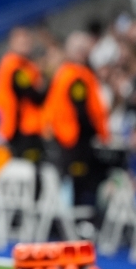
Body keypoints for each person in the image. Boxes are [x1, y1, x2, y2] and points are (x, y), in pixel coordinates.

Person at [43, 31, 109, 208]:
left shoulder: (64, 73)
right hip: (76, 141)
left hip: (65, 139)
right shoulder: (76, 76)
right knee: (82, 185)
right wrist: (95, 132)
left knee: (71, 183)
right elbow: (81, 111)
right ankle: (83, 223)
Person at [0, 27, 46, 163]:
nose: (25, 44)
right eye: (21, 42)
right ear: (12, 44)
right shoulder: (15, 67)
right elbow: (34, 95)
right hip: (22, 129)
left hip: (24, 128)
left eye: (27, 41)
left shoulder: (23, 64)